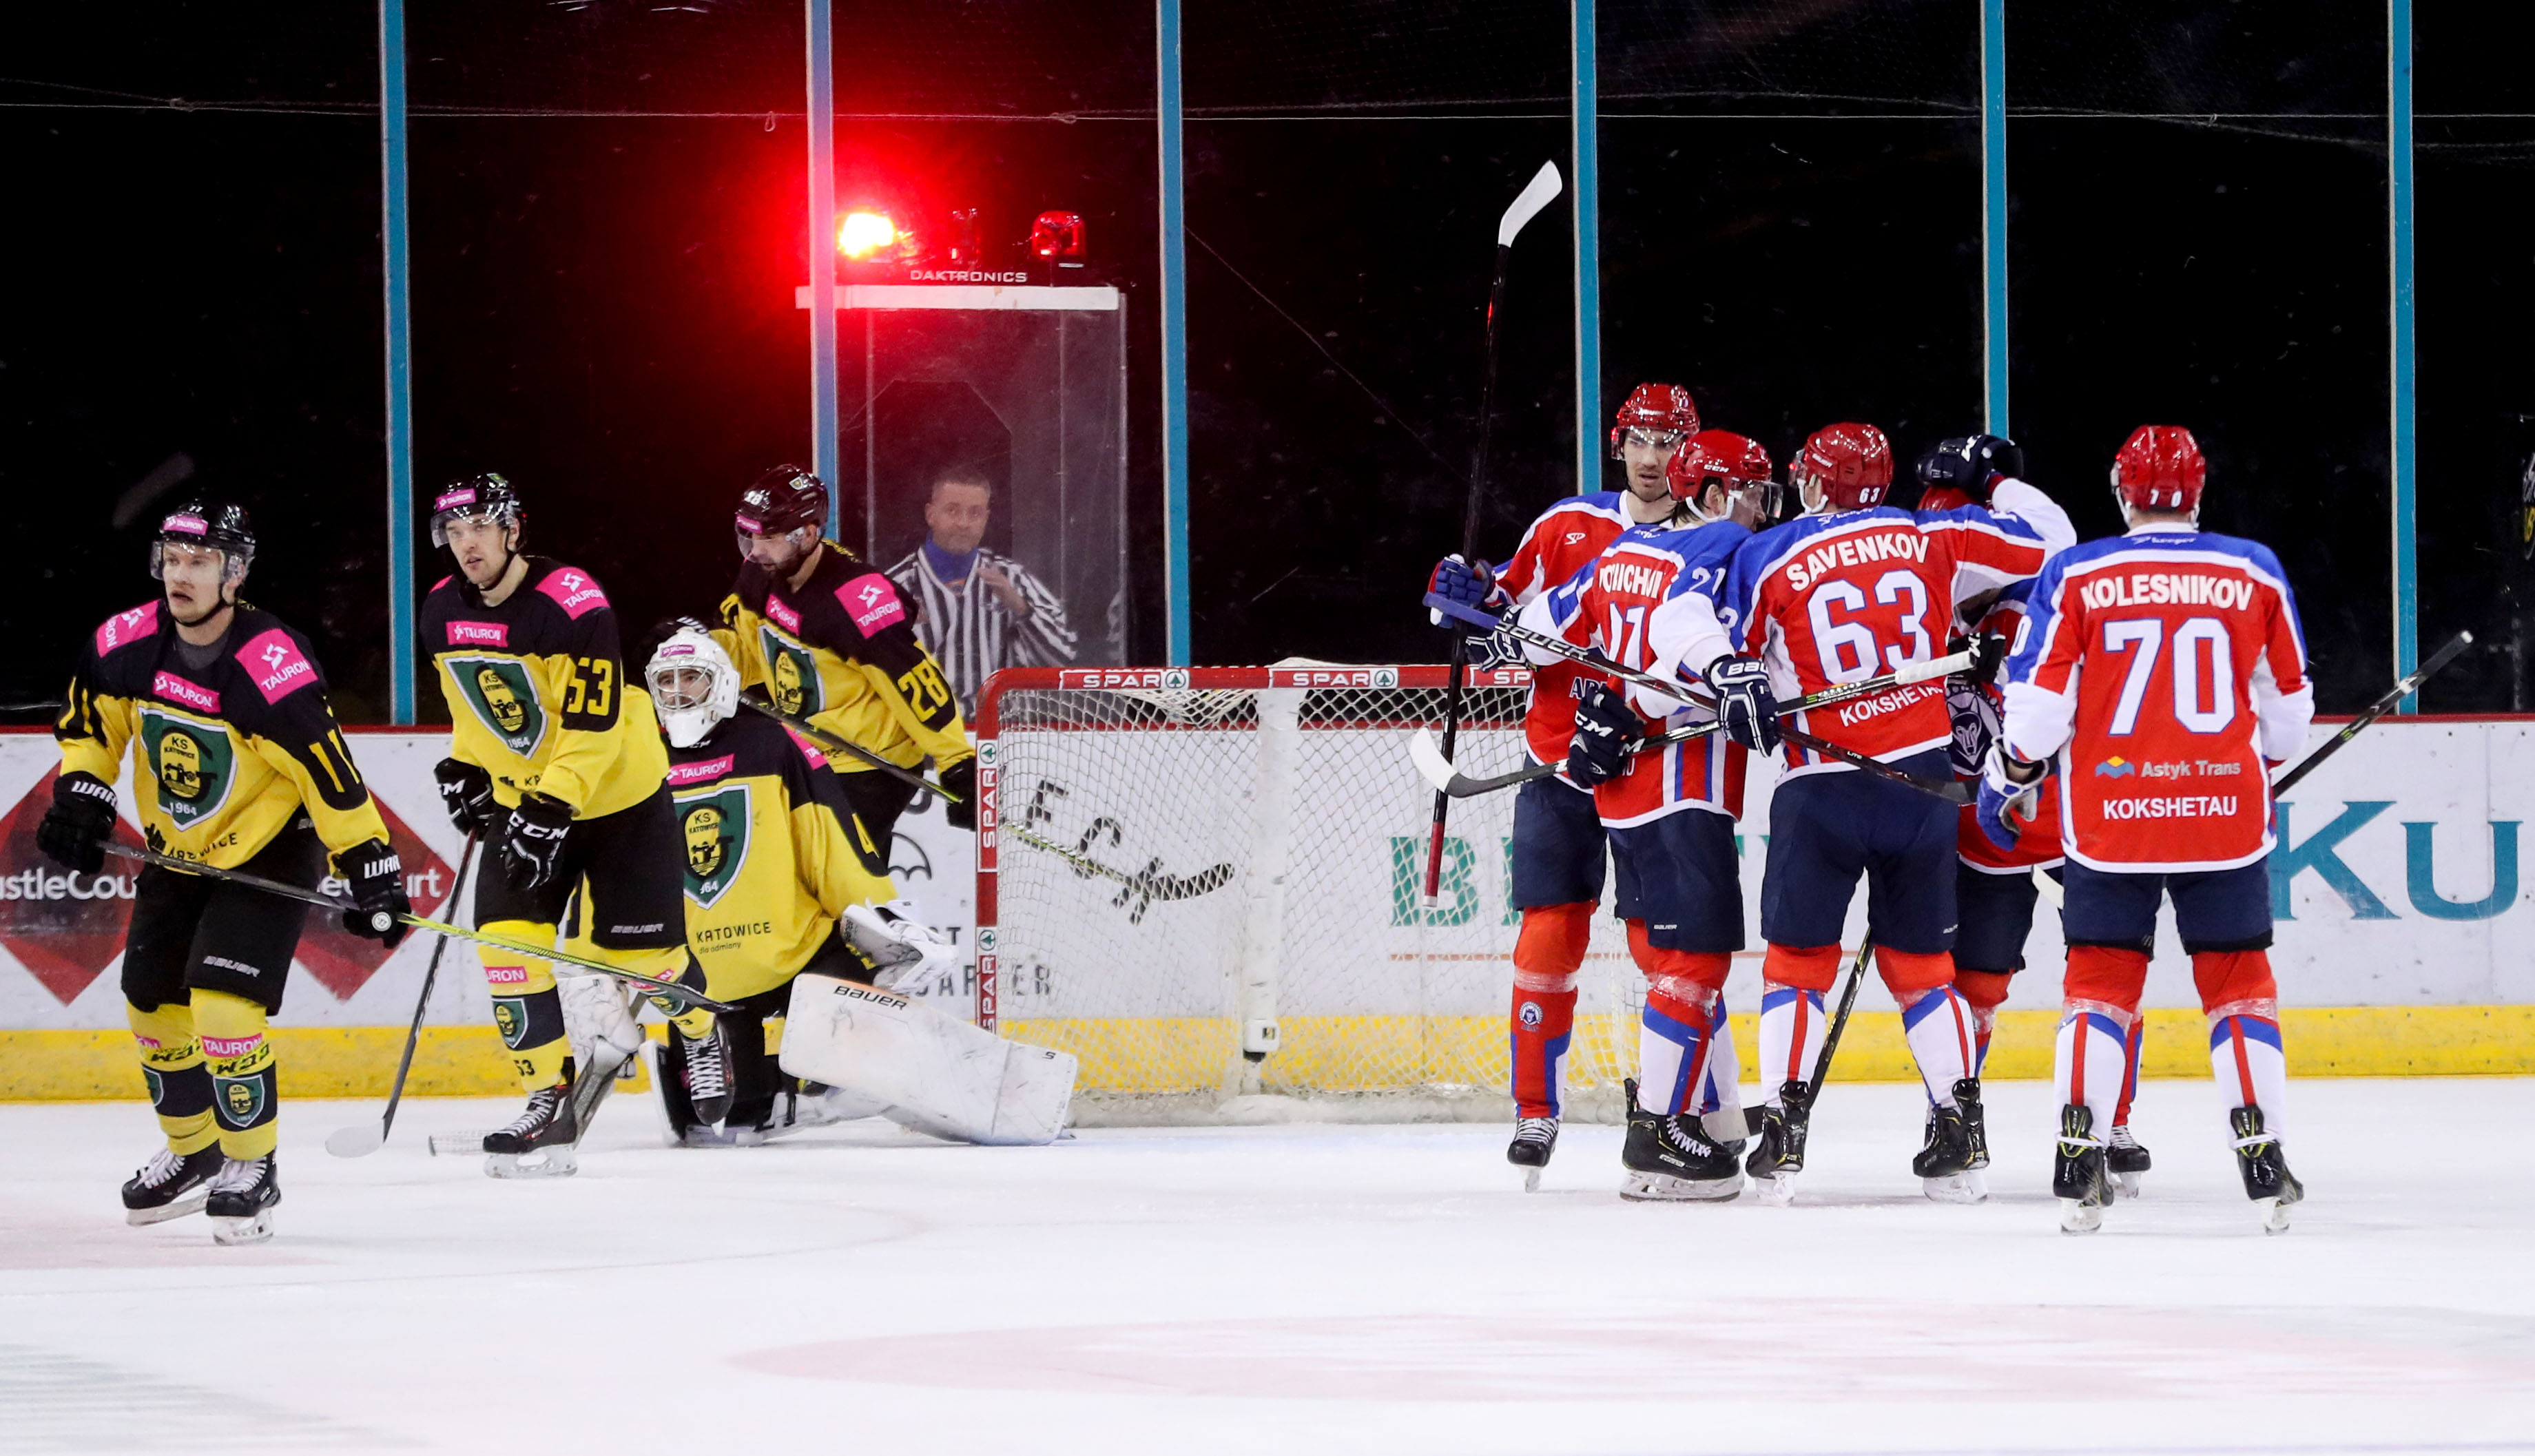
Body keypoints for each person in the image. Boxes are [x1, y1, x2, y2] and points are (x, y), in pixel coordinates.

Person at [1648, 422, 2073, 1205]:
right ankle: (1958, 1128)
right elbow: (2055, 540)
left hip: (1821, 787)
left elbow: (1673, 619)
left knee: (1795, 966)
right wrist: (1997, 479)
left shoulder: (1768, 550)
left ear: (1811, 483)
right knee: (1922, 970)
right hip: (1921, 787)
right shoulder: (1932, 531)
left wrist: (1727, 668)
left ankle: (1781, 1122)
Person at [44, 501, 411, 1243]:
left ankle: (251, 1163)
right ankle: (194, 1152)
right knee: (150, 1003)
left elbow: (327, 772)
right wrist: (83, 788)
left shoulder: (269, 662)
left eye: (198, 561)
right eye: (171, 560)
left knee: (223, 1007)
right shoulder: (126, 641)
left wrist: (370, 863)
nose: (179, 575)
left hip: (268, 846)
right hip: (176, 847)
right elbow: (91, 728)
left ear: (234, 573)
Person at [1979, 424, 2314, 1234]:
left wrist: (2009, 775)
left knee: (2098, 982)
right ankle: (2259, 1146)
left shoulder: (2077, 571)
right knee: (2237, 987)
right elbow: (2287, 715)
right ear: (2198, 491)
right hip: (2222, 819)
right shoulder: (2250, 566)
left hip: (2109, 820)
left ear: (2120, 491)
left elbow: (2036, 712)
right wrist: (2244, 761)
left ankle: (2075, 1146)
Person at [1422, 381, 1701, 1183]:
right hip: (1556, 761)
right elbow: (1493, 622)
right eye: (1641, 441)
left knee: (1668, 947)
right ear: (1619, 443)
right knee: (1549, 933)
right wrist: (1461, 598)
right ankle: (1534, 1109)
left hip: (1653, 767)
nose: (1653, 459)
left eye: (1669, 442)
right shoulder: (1565, 524)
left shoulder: (1706, 539)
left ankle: (1673, 1110)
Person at [419, 474, 725, 1176]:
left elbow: (594, 725)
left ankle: (700, 1028)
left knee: (643, 961)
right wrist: (466, 764)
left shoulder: (572, 603)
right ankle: (545, 1097)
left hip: (617, 797)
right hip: (529, 799)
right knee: (504, 942)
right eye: (454, 532)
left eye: (479, 529)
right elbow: (476, 703)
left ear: (512, 529)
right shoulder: (440, 609)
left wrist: (548, 808)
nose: (467, 545)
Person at [1514, 430, 1773, 1198]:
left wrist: (1603, 702)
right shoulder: (1726, 542)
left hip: (1623, 794)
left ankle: (1717, 1114)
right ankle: (1657, 1138)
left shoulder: (1622, 552)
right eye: (1757, 491)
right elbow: (1679, 640)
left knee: (1671, 960)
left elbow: (1535, 637)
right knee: (1691, 963)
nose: (1765, 509)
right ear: (1722, 493)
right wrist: (1633, 701)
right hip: (1682, 785)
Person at [1918, 437, 2155, 1197]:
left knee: (2108, 972)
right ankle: (1952, 1115)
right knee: (1976, 982)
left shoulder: (2051, 598)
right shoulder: (1922, 620)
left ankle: (2109, 1116)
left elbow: (2054, 538)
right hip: (1982, 828)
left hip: (2073, 814)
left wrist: (1997, 481)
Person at [630, 625, 953, 1144]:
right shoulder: (640, 756)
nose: (677, 693)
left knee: (856, 977)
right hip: (704, 983)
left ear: (722, 683)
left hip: (793, 954)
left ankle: (852, 1067)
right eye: (665, 682)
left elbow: (826, 838)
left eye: (690, 677)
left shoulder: (770, 742)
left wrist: (878, 910)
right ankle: (762, 1083)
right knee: (736, 1117)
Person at [723, 467, 977, 857]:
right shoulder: (762, 572)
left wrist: (957, 762)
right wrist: (700, 654)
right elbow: (752, 652)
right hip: (808, 756)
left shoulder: (855, 599)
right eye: (750, 537)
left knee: (840, 888)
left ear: (808, 534)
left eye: (769, 538)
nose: (756, 550)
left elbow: (913, 679)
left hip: (871, 766)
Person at [885, 470, 1077, 716]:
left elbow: (1063, 657)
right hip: (925, 740)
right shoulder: (894, 587)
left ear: (986, 518)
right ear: (930, 514)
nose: (964, 523)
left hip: (1004, 737)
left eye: (974, 513)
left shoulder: (1013, 578)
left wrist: (1020, 607)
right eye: (952, 510)